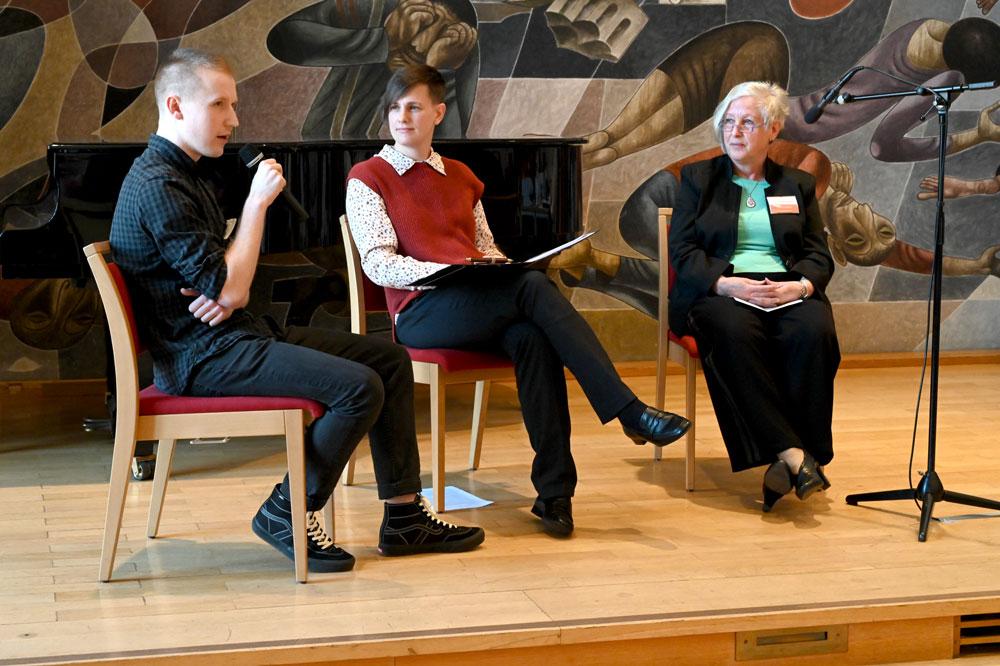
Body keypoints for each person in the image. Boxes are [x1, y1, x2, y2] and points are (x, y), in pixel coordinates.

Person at [109, 48, 485, 574]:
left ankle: (404, 519)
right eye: (219, 105)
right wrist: (255, 209)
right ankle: (287, 510)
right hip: (202, 357)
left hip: (229, 335)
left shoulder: (186, 174)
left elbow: (223, 284)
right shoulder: (159, 185)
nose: (234, 120)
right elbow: (233, 288)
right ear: (174, 106)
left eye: (233, 105)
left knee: (389, 362)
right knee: (359, 388)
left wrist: (222, 285)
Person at [344, 64, 691, 537]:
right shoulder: (368, 177)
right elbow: (379, 264)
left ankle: (555, 496)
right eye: (394, 107)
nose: (402, 116)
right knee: (531, 289)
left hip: (475, 300)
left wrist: (493, 265)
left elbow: (485, 247)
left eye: (414, 106)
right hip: (422, 310)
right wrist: (449, 270)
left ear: (439, 112)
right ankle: (628, 411)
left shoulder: (462, 177)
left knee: (531, 335)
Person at [668, 81, 840, 512]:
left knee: (814, 329)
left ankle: (787, 462)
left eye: (748, 122)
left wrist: (800, 285)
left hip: (785, 286)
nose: (735, 131)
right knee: (731, 332)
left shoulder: (797, 184)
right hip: (720, 289)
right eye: (728, 122)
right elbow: (684, 252)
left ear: (773, 130)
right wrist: (726, 283)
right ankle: (797, 455)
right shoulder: (698, 180)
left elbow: (817, 254)